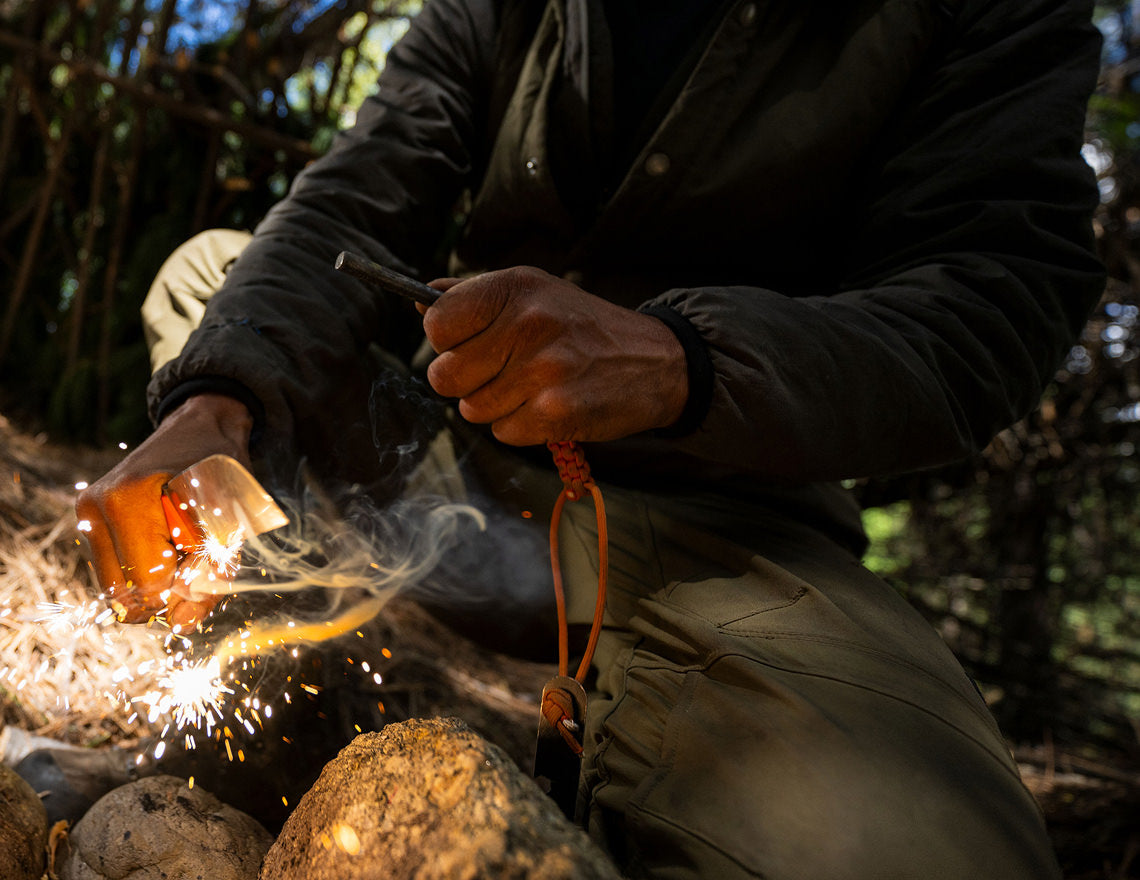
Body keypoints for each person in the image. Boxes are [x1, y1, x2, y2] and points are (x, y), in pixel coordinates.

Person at [77, 1, 1104, 877]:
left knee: (928, 854)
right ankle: (278, 715)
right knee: (217, 280)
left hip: (720, 527)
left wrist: (681, 363)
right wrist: (212, 406)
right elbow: (358, 193)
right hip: (447, 463)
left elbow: (996, 291)